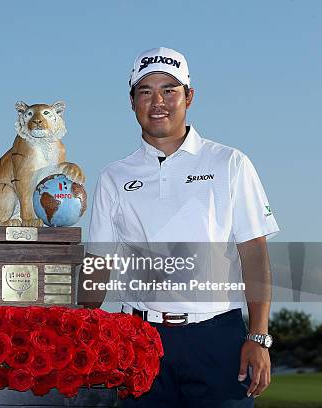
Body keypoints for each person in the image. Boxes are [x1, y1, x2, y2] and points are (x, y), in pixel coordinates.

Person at [84, 47, 279, 407]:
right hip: (139, 339)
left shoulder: (230, 162)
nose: (157, 101)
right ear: (132, 102)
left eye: (169, 90)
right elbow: (99, 262)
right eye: (145, 91)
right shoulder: (113, 176)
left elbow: (254, 253)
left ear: (189, 96)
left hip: (217, 338)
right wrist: (81, 331)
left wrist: (260, 335)